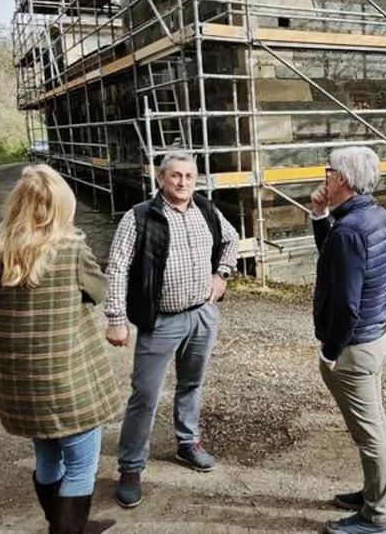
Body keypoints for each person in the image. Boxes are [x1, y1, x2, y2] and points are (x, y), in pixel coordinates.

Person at [0, 164, 123, 534]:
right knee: (80, 465)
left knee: (46, 454)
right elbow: (99, 293)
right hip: (66, 383)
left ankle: (63, 523)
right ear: (61, 206)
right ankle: (69, 528)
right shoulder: (71, 251)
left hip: (18, 386)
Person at [104, 151, 238, 508]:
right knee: (145, 395)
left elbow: (231, 239)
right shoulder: (140, 217)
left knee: (192, 383)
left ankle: (187, 442)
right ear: (161, 178)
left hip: (202, 315)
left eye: (189, 177)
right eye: (176, 175)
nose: (182, 183)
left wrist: (221, 275)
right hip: (161, 320)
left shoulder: (206, 210)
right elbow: (117, 267)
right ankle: (131, 467)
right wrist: (117, 318)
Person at [309, 147, 386, 534]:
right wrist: (319, 216)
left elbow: (345, 304)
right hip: (376, 336)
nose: (324, 178)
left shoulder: (349, 231)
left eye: (329, 172)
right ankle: (371, 493)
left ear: (341, 180)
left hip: (353, 348)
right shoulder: (373, 215)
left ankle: (376, 517)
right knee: (375, 425)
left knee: (370, 433)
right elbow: (335, 260)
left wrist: (330, 353)